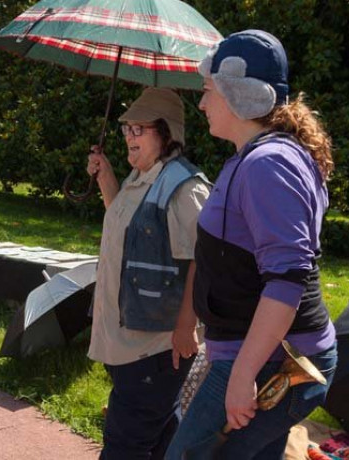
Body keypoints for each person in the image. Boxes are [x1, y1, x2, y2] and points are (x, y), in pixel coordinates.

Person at [165, 30, 338, 459]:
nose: (202, 103)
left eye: (208, 91)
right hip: (256, 354)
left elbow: (288, 279)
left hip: (268, 361)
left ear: (240, 94)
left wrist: (243, 376)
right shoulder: (256, 156)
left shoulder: (269, 163)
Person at [86, 87, 211, 459]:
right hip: (128, 344)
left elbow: (206, 258)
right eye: (126, 129)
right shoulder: (142, 179)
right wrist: (107, 176)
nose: (129, 137)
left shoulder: (185, 187)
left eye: (139, 129)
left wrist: (186, 325)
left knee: (124, 447)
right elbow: (130, 229)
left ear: (166, 133)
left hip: (154, 350)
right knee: (159, 439)